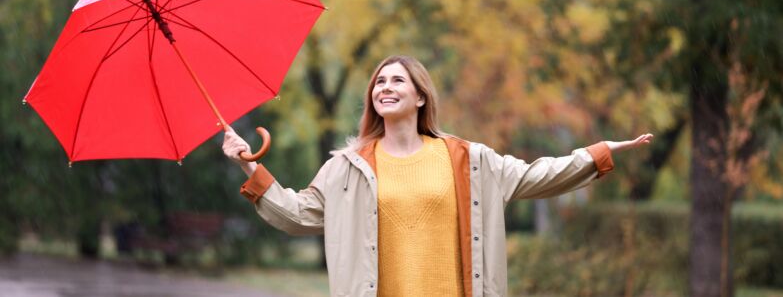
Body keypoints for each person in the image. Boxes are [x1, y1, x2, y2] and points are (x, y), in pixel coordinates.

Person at [223, 55, 653, 297]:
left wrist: (597, 154)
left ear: (420, 94)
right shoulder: (347, 167)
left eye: (396, 80)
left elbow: (537, 176)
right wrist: (249, 164)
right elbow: (297, 214)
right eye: (378, 82)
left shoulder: (467, 159)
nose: (384, 87)